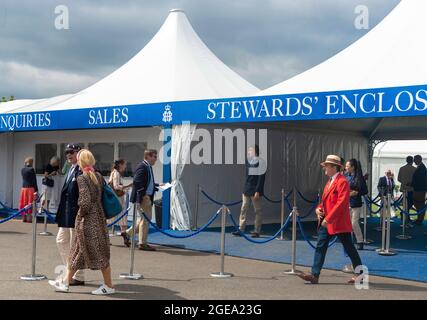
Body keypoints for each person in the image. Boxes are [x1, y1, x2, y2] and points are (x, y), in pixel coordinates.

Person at [49, 149, 115, 295]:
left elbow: (84, 202)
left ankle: (109, 285)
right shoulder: (97, 175)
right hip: (98, 217)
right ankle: (65, 282)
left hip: (87, 221)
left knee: (98, 254)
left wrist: (80, 214)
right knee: (77, 253)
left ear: (80, 161)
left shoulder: (83, 178)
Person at [298, 155, 363, 284]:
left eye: (326, 166)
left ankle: (360, 273)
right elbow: (324, 201)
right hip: (328, 221)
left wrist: (328, 219)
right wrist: (318, 209)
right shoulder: (330, 181)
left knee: (349, 248)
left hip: (337, 222)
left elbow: (341, 203)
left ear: (334, 167)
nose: (324, 169)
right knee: (320, 246)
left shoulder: (342, 182)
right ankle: (314, 275)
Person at [54, 143, 85, 285]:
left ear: (79, 152)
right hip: (66, 214)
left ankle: (77, 276)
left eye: (71, 152)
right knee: (61, 240)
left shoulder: (83, 169)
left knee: (74, 245)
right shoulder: (71, 169)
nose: (68, 154)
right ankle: (71, 271)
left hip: (76, 214)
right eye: (67, 152)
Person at [126, 149, 160, 251]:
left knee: (142, 220)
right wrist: (144, 194)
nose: (156, 159)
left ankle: (126, 233)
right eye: (154, 157)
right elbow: (137, 181)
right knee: (145, 220)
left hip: (146, 197)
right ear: (148, 156)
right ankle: (142, 243)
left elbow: (147, 183)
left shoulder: (148, 167)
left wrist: (157, 185)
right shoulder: (142, 166)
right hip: (144, 198)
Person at [232, 145, 266, 238]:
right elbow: (247, 176)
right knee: (243, 209)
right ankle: (241, 229)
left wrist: (258, 191)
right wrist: (244, 189)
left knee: (258, 211)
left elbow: (261, 177)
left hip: (255, 190)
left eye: (250, 150)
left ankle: (256, 231)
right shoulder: (247, 161)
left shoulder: (261, 162)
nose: (248, 152)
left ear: (255, 151)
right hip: (247, 189)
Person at [108, 159, 133, 246]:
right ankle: (124, 236)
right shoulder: (116, 173)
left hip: (117, 198)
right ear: (120, 165)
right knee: (119, 216)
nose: (125, 167)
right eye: (124, 165)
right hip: (117, 199)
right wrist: (127, 186)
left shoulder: (114, 172)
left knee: (121, 217)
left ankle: (124, 235)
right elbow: (116, 186)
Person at [345, 159, 368, 250]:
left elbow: (365, 190)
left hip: (355, 203)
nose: (346, 168)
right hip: (346, 202)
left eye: (348, 166)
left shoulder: (359, 177)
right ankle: (348, 241)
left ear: (353, 167)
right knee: (346, 223)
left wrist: (357, 193)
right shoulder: (345, 176)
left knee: (354, 223)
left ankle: (360, 241)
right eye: (346, 166)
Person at [398, 156, 417, 225]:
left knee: (406, 202)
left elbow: (399, 178)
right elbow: (416, 180)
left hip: (404, 188)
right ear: (412, 161)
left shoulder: (401, 168)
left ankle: (405, 215)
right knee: (410, 202)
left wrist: (404, 182)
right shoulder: (415, 169)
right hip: (411, 189)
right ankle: (404, 214)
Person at [19, 157, 38, 223]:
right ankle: (29, 219)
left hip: (23, 188)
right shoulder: (32, 169)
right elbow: (34, 181)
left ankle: (23, 218)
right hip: (30, 189)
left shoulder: (22, 169)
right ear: (31, 162)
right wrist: (36, 190)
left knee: (24, 203)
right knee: (30, 203)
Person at [412, 155, 427, 225]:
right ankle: (419, 218)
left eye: (415, 159)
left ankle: (420, 219)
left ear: (419, 159)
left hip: (420, 190)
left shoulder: (422, 168)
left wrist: (412, 184)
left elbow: (420, 180)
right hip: (419, 189)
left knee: (419, 204)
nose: (414, 161)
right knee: (418, 204)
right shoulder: (421, 167)